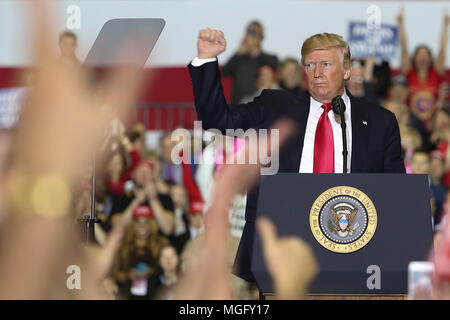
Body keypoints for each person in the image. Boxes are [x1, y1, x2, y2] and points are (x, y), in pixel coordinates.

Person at [188, 29, 405, 281]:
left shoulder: (380, 122)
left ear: (346, 70)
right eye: (310, 65)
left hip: (353, 248)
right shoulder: (275, 107)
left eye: (326, 64)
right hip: (283, 247)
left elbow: (394, 192)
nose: (317, 72)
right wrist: (206, 59)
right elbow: (218, 120)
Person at [397, 10, 448, 125]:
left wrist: (446, 25)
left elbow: (442, 49)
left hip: (434, 122)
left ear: (430, 60)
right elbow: (404, 48)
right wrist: (400, 24)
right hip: (412, 122)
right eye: (420, 55)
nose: (423, 58)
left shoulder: (436, 73)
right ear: (414, 59)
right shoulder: (408, 73)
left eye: (426, 55)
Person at [221, 21, 278, 104]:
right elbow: (224, 72)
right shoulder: (239, 58)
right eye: (250, 33)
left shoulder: (268, 59)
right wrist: (238, 53)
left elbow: (276, 65)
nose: (252, 36)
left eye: (255, 33)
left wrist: (255, 51)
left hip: (259, 105)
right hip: (239, 106)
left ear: (261, 37)